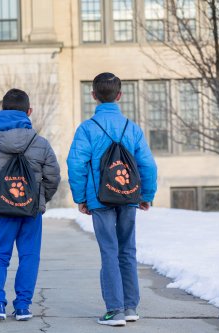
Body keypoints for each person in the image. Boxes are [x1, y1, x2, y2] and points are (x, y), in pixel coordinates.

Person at [67, 72, 157, 327]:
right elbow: (147, 164)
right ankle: (130, 307)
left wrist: (81, 197)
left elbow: (76, 164)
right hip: (128, 196)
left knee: (109, 250)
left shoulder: (87, 129)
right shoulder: (132, 128)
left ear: (93, 96)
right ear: (119, 96)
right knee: (127, 250)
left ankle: (114, 310)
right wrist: (146, 194)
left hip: (100, 199)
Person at [0, 88, 61, 321]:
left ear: (2, 110)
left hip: (4, 210)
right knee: (29, 255)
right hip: (31, 210)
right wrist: (38, 199)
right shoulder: (40, 142)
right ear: (29, 111)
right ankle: (23, 306)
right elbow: (53, 176)